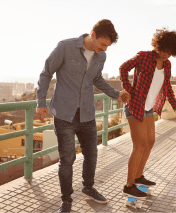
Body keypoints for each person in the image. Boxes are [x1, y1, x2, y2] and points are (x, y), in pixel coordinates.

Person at [36, 19, 131, 213]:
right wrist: (40, 103)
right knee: (67, 160)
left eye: (108, 46)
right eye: (103, 44)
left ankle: (88, 187)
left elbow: (97, 79)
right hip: (64, 114)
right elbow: (46, 73)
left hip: (87, 114)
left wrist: (116, 93)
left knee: (92, 155)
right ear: (93, 34)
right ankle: (66, 201)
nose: (104, 49)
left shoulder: (100, 56)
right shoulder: (65, 47)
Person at [119, 28, 176, 199]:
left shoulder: (167, 65)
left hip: (148, 108)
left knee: (150, 141)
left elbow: (167, 88)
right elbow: (123, 68)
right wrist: (128, 89)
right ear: (158, 45)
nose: (166, 55)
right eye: (164, 50)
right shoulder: (144, 56)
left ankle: (138, 176)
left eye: (170, 52)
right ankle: (129, 185)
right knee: (139, 144)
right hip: (135, 105)